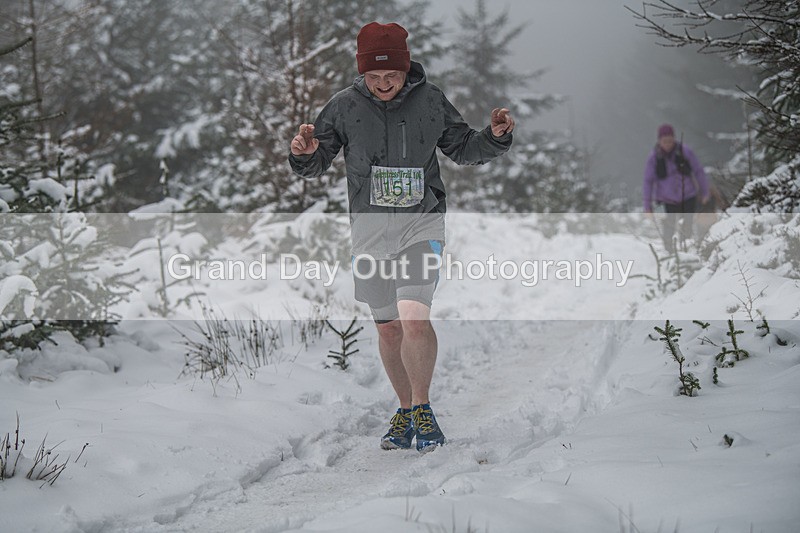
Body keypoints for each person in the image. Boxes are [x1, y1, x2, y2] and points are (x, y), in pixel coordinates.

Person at [288, 22, 514, 452]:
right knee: (390, 328)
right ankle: (406, 407)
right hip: (370, 231)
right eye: (374, 76)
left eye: (391, 74)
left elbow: (462, 146)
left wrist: (496, 138)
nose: (384, 83)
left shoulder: (429, 101)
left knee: (413, 316)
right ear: (362, 74)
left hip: (421, 222)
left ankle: (424, 408)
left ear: (405, 67)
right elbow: (318, 160)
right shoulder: (344, 107)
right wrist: (302, 155)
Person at [643, 124, 710, 252]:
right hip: (667, 199)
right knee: (669, 228)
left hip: (688, 195)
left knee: (687, 226)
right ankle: (670, 252)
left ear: (674, 138)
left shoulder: (685, 151)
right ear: (659, 141)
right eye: (664, 141)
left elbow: (698, 171)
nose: (667, 144)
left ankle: (688, 252)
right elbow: (648, 181)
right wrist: (647, 205)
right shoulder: (654, 158)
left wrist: (704, 191)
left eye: (670, 140)